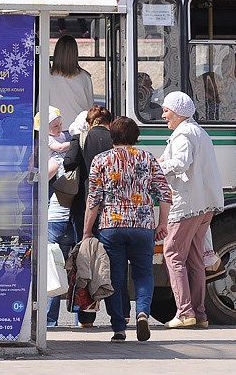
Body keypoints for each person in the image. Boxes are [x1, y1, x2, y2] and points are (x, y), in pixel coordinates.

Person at [83, 117, 172, 342]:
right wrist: (162, 223)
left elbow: (94, 199)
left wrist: (87, 231)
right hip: (142, 227)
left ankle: (119, 327)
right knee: (143, 273)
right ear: (136, 136)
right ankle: (143, 312)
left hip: (111, 226)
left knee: (115, 278)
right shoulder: (148, 158)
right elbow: (164, 193)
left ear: (112, 134)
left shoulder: (100, 160)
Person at [159, 91, 224, 329]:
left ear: (177, 112)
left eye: (166, 110)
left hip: (187, 203)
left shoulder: (182, 134)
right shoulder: (200, 132)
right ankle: (199, 314)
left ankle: (184, 312)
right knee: (196, 258)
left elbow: (181, 164)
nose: (163, 115)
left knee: (173, 254)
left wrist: (157, 166)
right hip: (205, 204)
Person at [63, 104, 114, 328]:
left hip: (85, 207)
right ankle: (118, 316)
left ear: (90, 122)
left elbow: (68, 163)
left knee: (84, 260)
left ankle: (86, 317)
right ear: (109, 122)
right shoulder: (117, 139)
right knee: (112, 260)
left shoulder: (80, 138)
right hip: (112, 209)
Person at [35, 107, 76, 328]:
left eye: (60, 125)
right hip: (67, 216)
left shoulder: (46, 143)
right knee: (65, 266)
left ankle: (50, 319)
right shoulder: (53, 142)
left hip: (54, 216)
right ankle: (79, 317)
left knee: (52, 268)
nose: (59, 129)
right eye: (55, 126)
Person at [50, 34, 94, 129]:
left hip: (53, 130)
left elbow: (39, 108)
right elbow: (90, 108)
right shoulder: (85, 77)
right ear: (75, 53)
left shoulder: (47, 76)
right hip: (79, 129)